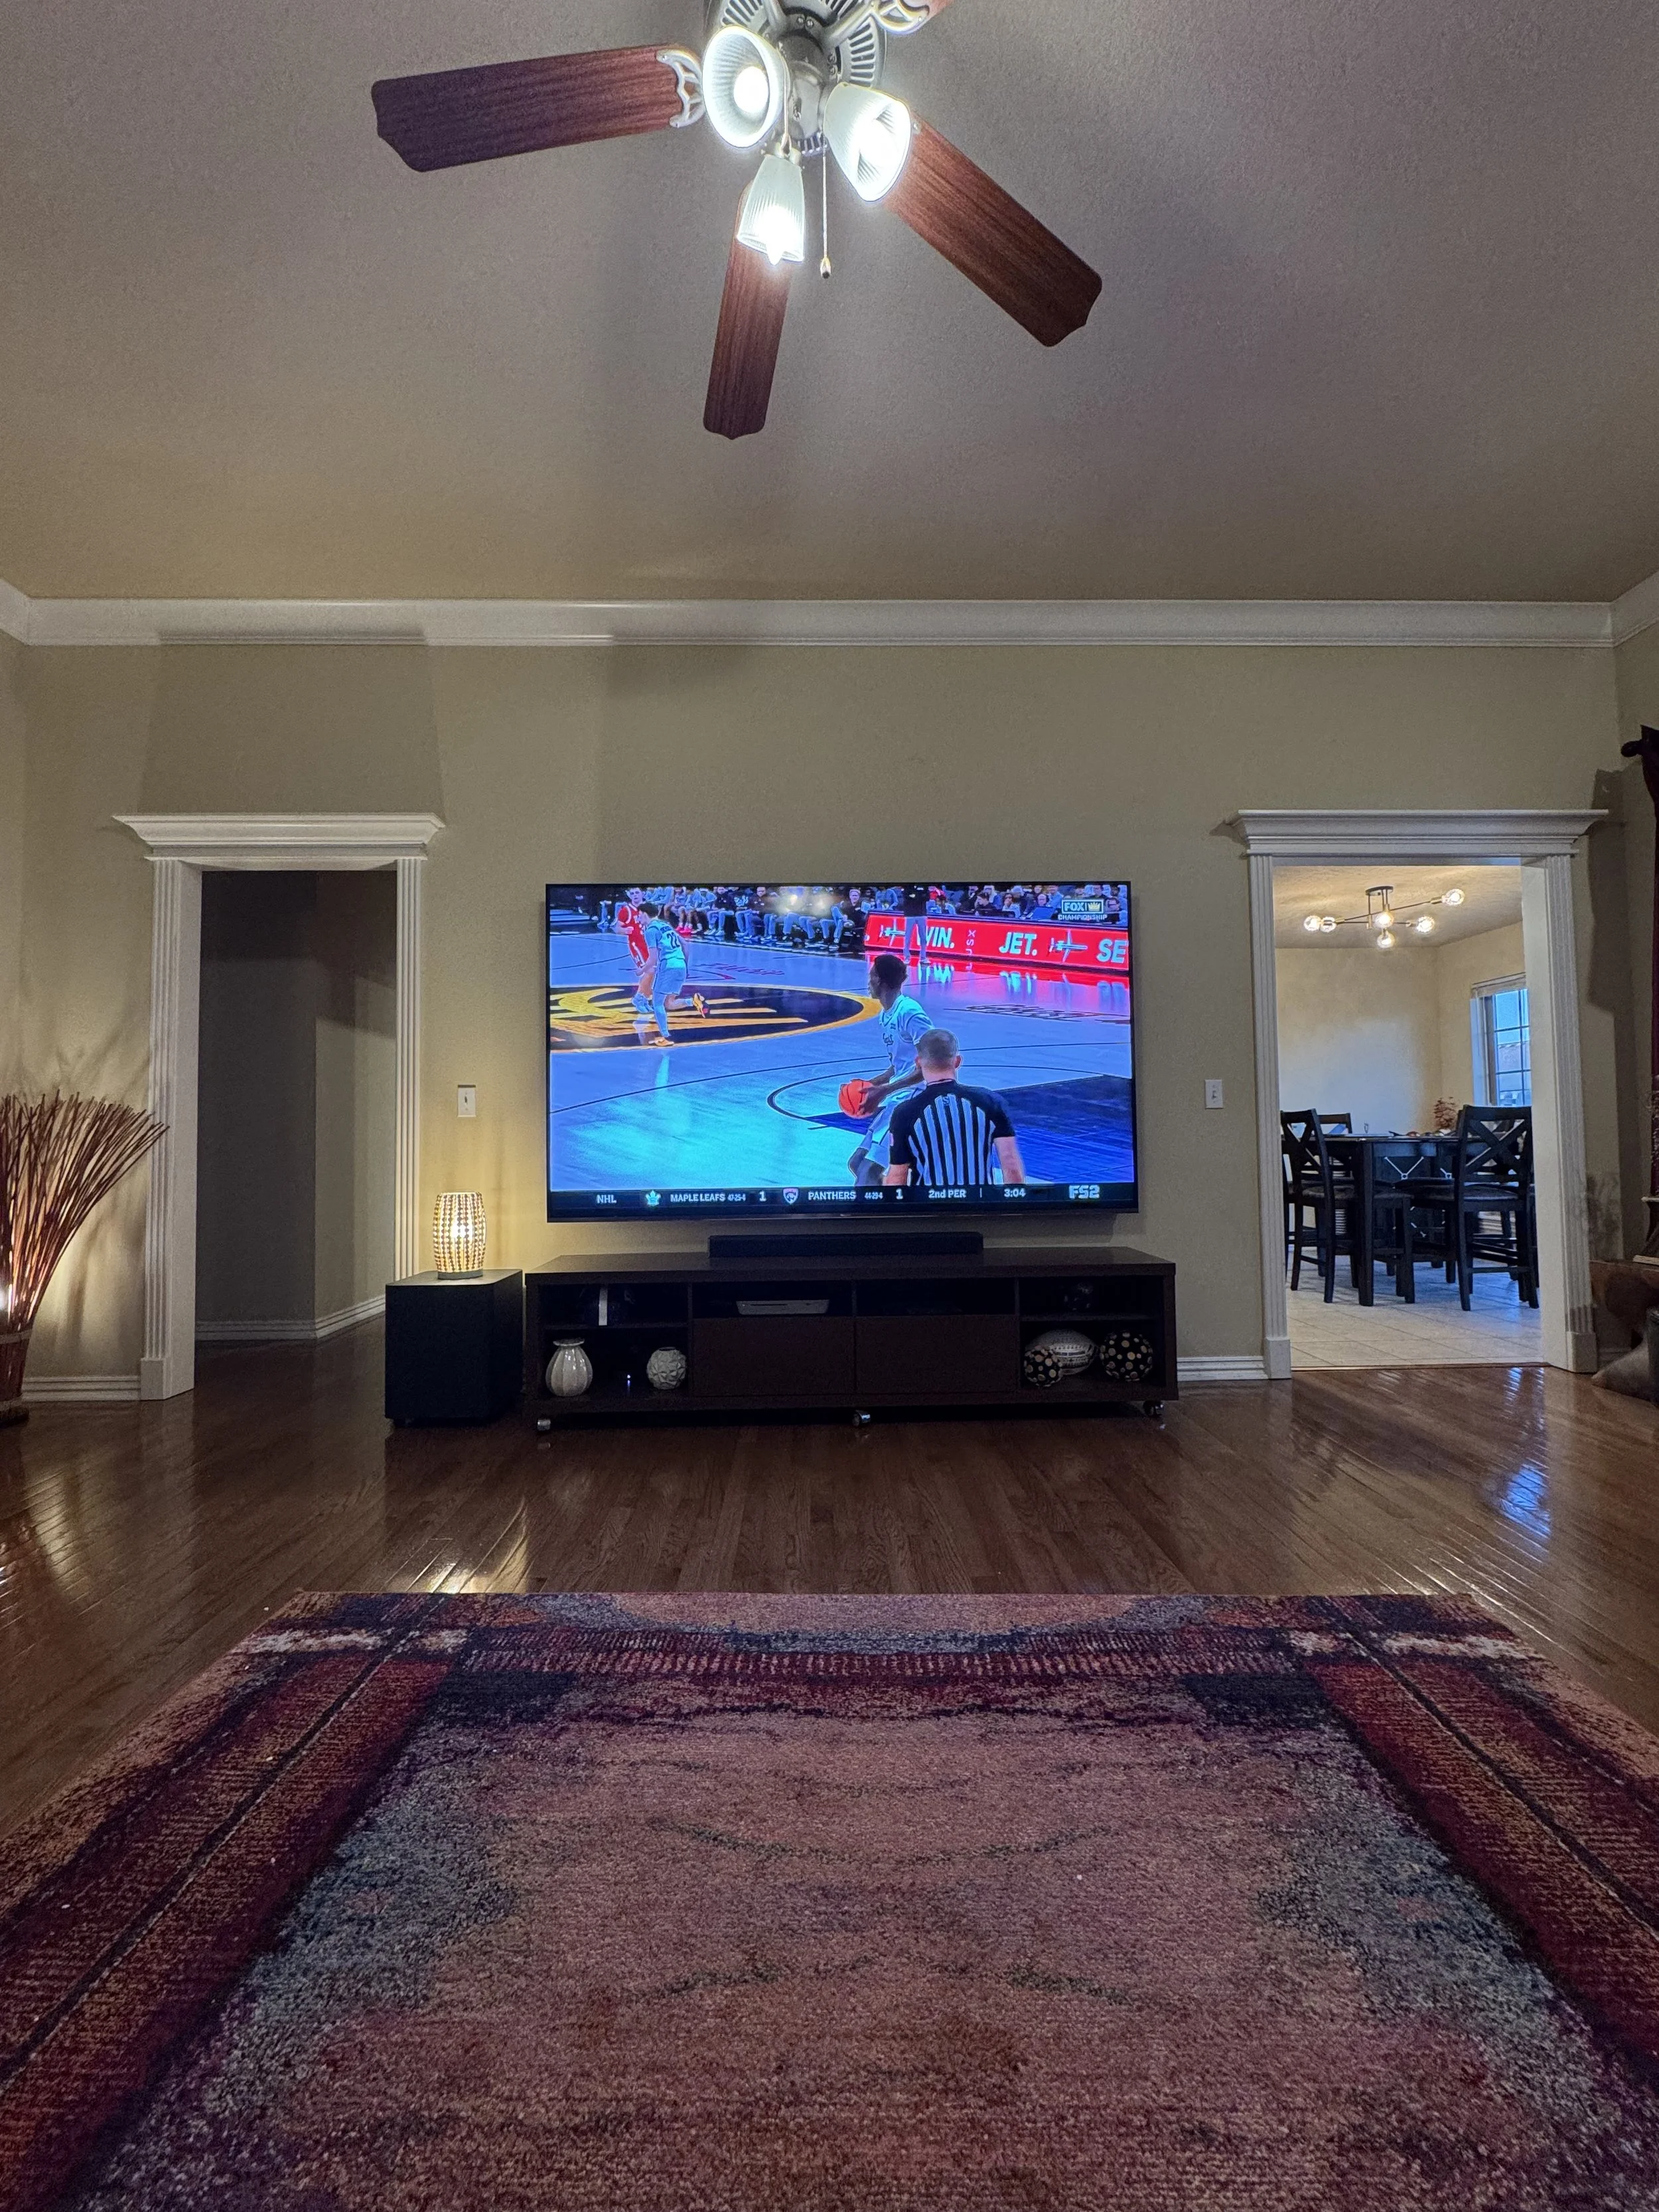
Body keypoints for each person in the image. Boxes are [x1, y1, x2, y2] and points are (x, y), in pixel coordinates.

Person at [883, 1030, 1026, 1189]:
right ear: (957, 1061)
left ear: (918, 1062)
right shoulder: (990, 1103)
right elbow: (1012, 1170)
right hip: (979, 1210)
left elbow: (896, 1180)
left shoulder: (904, 1113)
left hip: (928, 1211)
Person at [847, 952, 932, 1188]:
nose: (868, 982)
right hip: (899, 1095)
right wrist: (873, 1083)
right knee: (857, 1163)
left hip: (914, 1098)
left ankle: (866, 1221)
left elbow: (932, 1062)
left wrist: (885, 1089)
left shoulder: (910, 1012)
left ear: (881, 980)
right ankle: (898, 1201)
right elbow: (900, 1063)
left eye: (871, 975)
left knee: (868, 1169)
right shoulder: (887, 1014)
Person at [632, 901, 701, 1046]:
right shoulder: (666, 925)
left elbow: (652, 959)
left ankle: (665, 1037)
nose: (638, 919)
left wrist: (641, 970)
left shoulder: (651, 930)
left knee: (657, 1004)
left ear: (645, 914)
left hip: (668, 967)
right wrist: (685, 967)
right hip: (681, 965)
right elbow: (686, 945)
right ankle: (692, 1001)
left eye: (639, 916)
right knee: (669, 1003)